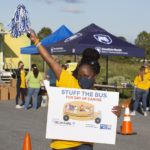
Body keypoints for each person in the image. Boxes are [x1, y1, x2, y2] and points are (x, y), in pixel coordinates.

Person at [28, 29, 121, 150]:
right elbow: (49, 60)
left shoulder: (99, 96)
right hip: (62, 144)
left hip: (84, 144)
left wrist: (116, 113)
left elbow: (106, 116)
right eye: (80, 75)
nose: (83, 79)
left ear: (94, 76)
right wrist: (36, 41)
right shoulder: (67, 80)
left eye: (87, 76)